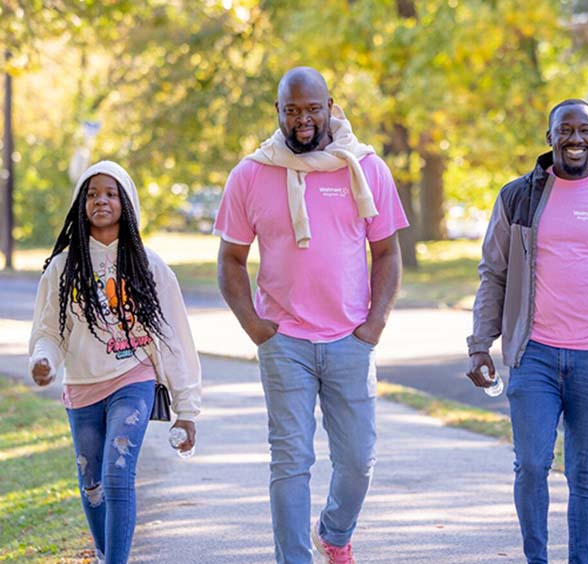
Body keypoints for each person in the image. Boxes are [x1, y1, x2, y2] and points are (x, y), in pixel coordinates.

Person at [215, 66, 408, 564]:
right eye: (291, 110)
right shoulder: (251, 174)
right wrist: (257, 329)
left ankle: (335, 531)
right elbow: (231, 261)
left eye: (311, 109)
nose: (302, 119)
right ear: (278, 112)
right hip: (285, 343)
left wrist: (374, 325)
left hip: (350, 338)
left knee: (358, 460)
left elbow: (386, 252)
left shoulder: (365, 168)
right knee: (291, 461)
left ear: (330, 108)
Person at [466, 99, 588, 564]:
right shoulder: (519, 196)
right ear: (550, 136)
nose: (576, 139)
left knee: (585, 473)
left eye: (586, 131)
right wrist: (480, 345)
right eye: (566, 131)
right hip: (533, 352)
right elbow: (492, 273)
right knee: (532, 465)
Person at [29, 161, 202, 564]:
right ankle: (108, 553)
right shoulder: (61, 269)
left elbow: (174, 337)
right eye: (92, 194)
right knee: (92, 484)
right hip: (82, 388)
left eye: (110, 193)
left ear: (125, 202)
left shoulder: (150, 266)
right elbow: (48, 333)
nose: (101, 200)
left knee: (117, 474)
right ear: (80, 204)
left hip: (133, 379)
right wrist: (43, 361)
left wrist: (187, 409)